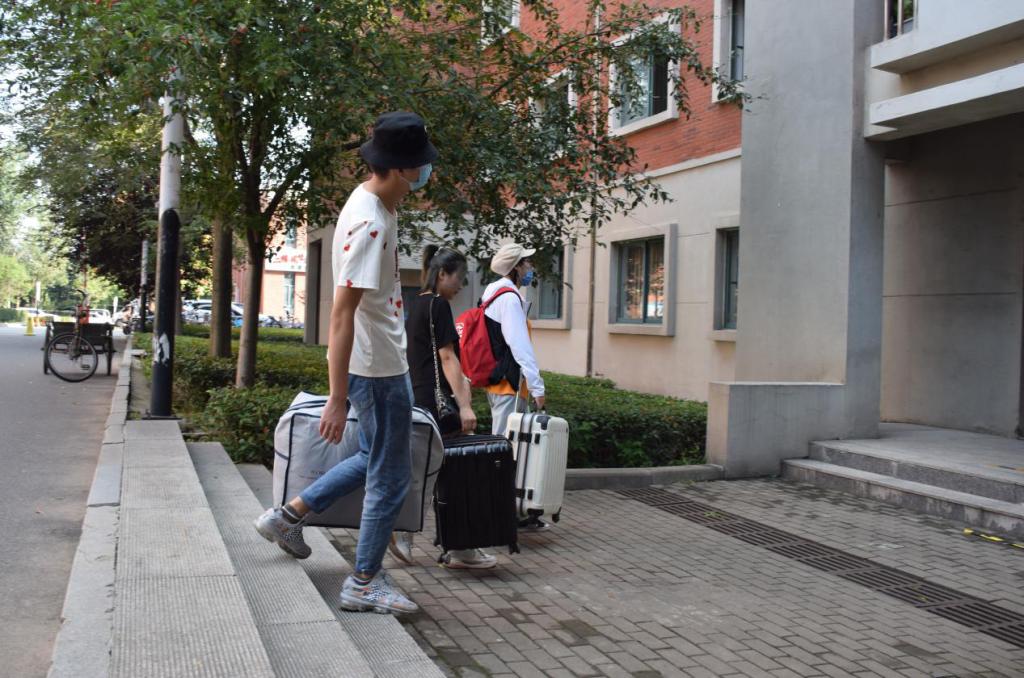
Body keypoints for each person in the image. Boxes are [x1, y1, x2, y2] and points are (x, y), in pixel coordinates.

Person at [254, 111, 437, 615]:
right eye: (421, 164)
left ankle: (289, 515)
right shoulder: (370, 223)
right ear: (401, 169)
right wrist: (336, 398)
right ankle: (363, 582)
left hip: (381, 361)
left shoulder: (374, 203)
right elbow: (341, 313)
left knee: (375, 455)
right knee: (390, 476)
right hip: (378, 368)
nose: (427, 172)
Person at [388, 245, 498, 570]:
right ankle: (458, 546)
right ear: (442, 275)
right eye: (459, 277)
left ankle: (412, 535)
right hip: (438, 407)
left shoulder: (418, 304)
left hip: (420, 400)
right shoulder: (438, 305)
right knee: (456, 473)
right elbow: (447, 357)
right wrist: (464, 406)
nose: (461, 285)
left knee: (428, 472)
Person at [481, 242, 550, 531]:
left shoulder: (493, 291)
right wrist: (537, 387)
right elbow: (520, 346)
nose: (530, 267)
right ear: (516, 268)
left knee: (504, 449)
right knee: (502, 450)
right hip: (508, 383)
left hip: (498, 382)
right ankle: (494, 515)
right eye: (526, 263)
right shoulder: (509, 298)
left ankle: (506, 511)